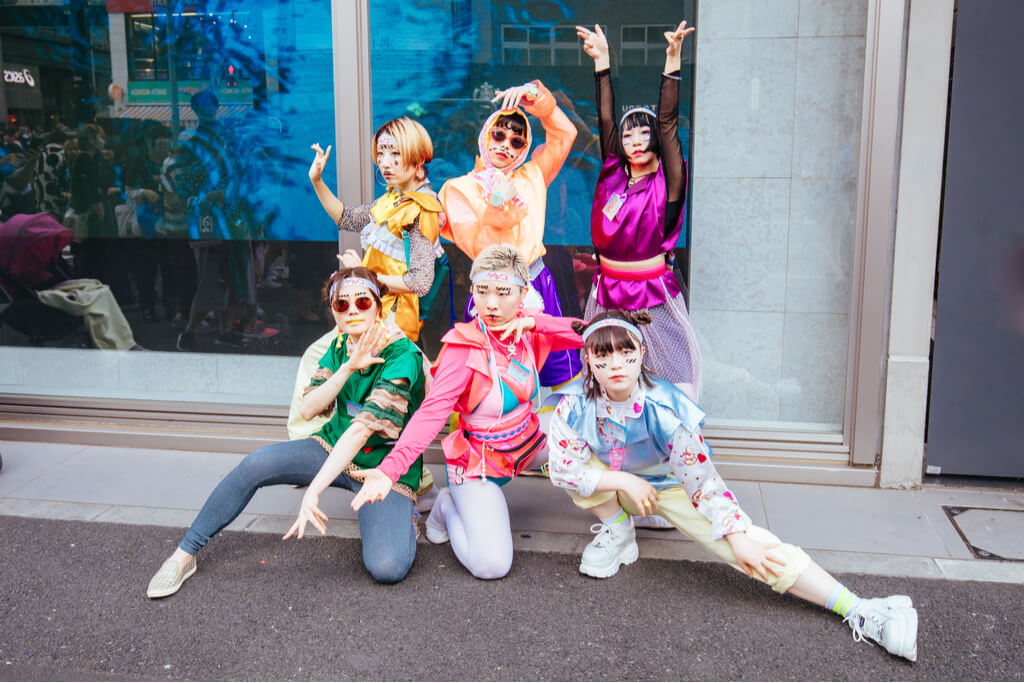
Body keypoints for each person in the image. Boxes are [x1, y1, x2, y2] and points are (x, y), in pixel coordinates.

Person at [546, 310, 919, 662]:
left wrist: (737, 535)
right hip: (620, 481)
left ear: (642, 353)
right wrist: (625, 480)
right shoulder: (574, 403)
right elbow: (563, 470)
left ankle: (863, 609)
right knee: (576, 468)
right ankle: (617, 531)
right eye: (603, 355)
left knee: (751, 549)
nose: (615, 365)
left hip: (674, 486)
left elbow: (704, 483)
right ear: (588, 359)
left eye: (625, 352)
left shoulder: (667, 410)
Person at [146, 267, 427, 598]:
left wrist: (314, 491)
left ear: (378, 306)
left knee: (387, 568)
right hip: (332, 445)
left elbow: (361, 432)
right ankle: (183, 554)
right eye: (341, 305)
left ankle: (405, 520)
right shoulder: (340, 345)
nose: (352, 310)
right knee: (254, 465)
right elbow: (309, 408)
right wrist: (349, 367)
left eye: (362, 302)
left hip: (384, 468)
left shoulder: (401, 354)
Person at [347, 245, 583, 580]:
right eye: (482, 291)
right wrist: (388, 472)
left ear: (523, 292)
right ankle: (446, 506)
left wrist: (535, 322)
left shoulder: (528, 331)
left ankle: (622, 524)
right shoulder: (462, 348)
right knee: (491, 566)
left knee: (597, 431)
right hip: (478, 464)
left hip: (528, 445)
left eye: (503, 293)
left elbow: (590, 335)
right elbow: (430, 415)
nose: (491, 304)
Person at [575, 22, 702, 401]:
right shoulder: (612, 173)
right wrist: (602, 65)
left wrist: (672, 62)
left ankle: (671, 445)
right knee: (602, 371)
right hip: (607, 291)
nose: (635, 140)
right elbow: (606, 119)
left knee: (673, 376)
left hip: (652, 293)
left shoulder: (670, 181)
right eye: (629, 134)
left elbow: (667, 123)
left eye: (643, 133)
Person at [438, 81, 581, 387]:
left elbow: (566, 134)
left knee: (557, 375)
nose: (505, 145)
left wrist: (539, 100)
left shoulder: (532, 173)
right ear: (484, 136)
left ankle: (549, 434)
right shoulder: (458, 189)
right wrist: (498, 203)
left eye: (517, 141)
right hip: (492, 291)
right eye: (498, 135)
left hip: (538, 282)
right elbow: (480, 249)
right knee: (488, 377)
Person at [308, 117, 444, 344]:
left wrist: (363, 274)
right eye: (381, 154)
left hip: (391, 324)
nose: (385, 163)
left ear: (418, 159)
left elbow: (419, 282)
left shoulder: (421, 209)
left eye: (395, 154)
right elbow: (348, 219)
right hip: (370, 311)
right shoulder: (395, 197)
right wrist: (317, 180)